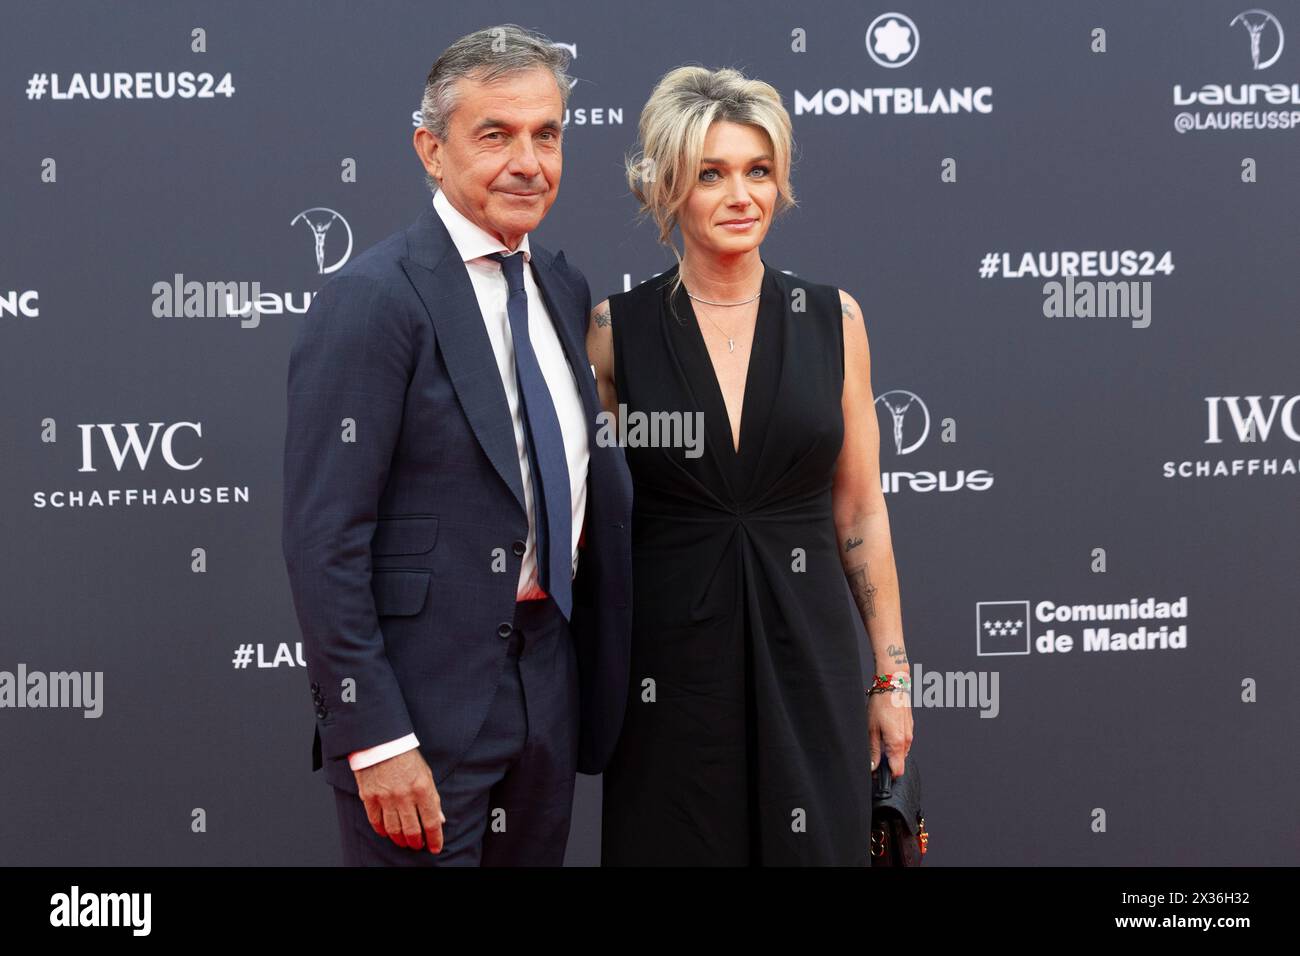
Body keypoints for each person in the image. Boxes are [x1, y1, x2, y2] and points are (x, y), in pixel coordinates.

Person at [281, 24, 632, 866]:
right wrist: (375, 737)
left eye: (546, 134)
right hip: (419, 711)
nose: (528, 161)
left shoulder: (560, 281)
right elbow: (324, 541)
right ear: (430, 151)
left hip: (547, 688)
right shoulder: (373, 299)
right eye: (496, 134)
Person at [586, 66, 914, 865]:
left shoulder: (834, 320)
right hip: (666, 669)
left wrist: (891, 678)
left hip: (809, 646)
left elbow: (861, 510)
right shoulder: (612, 332)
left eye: (758, 171)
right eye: (712, 174)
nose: (741, 195)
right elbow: (589, 519)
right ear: (670, 188)